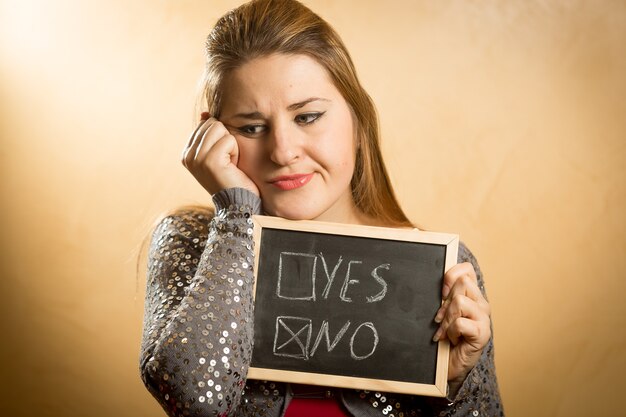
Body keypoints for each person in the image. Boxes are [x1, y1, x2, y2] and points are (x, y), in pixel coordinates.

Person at [139, 0, 503, 416]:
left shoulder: (439, 269)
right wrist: (236, 215)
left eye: (308, 117)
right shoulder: (192, 240)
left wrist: (454, 384)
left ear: (358, 122)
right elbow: (194, 399)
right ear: (214, 135)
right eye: (252, 128)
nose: (283, 151)